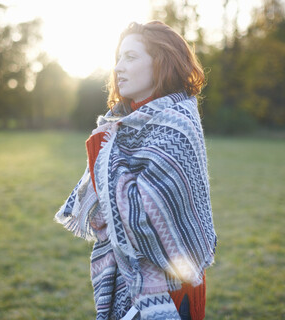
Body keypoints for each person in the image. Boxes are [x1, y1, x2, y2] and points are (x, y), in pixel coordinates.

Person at [55, 21, 217, 320]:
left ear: (161, 62)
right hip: (128, 281)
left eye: (130, 57)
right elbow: (104, 218)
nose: (118, 68)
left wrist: (103, 154)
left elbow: (144, 218)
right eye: (117, 58)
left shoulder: (176, 124)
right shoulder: (123, 125)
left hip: (170, 287)